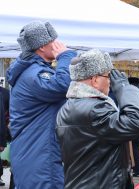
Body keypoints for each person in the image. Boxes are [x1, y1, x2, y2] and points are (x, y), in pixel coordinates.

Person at [55, 49, 139, 189]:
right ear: (95, 80)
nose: (110, 81)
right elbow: (137, 122)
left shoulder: (67, 108)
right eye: (107, 76)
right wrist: (125, 89)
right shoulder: (95, 110)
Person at [6, 21, 77, 188]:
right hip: (39, 154)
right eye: (54, 40)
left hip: (36, 151)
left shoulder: (33, 70)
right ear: (42, 47)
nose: (59, 44)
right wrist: (66, 57)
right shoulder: (33, 74)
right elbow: (61, 86)